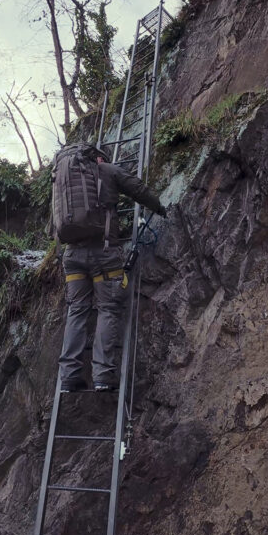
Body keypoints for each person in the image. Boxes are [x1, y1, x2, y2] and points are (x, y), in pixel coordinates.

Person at [51, 144, 166, 392]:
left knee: (77, 310)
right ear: (99, 157)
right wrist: (159, 207)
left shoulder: (61, 182)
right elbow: (138, 189)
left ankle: (69, 376)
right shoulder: (106, 170)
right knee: (108, 308)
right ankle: (102, 375)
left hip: (71, 255)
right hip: (103, 253)